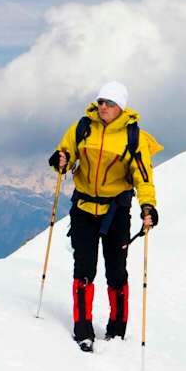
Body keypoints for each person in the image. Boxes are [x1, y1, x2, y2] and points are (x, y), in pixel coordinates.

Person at [48, 81, 162, 352]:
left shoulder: (134, 137)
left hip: (117, 212)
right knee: (84, 270)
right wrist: (60, 159)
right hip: (84, 209)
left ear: (120, 106)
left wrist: (148, 207)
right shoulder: (82, 127)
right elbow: (66, 152)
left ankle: (117, 329)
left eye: (109, 103)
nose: (103, 107)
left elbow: (143, 178)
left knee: (116, 271)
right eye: (100, 101)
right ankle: (83, 329)